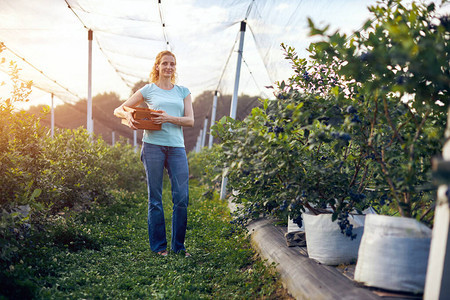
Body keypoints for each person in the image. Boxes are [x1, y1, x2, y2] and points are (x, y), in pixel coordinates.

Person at [114, 50, 194, 257]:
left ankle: (178, 247)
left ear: (175, 68)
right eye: (165, 63)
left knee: (182, 197)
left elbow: (190, 120)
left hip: (176, 148)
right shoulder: (149, 90)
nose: (169, 67)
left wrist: (169, 118)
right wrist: (129, 117)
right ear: (157, 66)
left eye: (172, 64)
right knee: (155, 198)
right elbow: (119, 110)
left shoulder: (183, 92)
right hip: (152, 146)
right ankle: (159, 247)